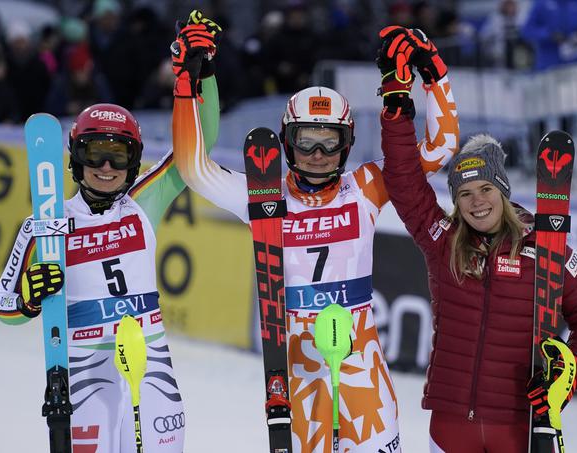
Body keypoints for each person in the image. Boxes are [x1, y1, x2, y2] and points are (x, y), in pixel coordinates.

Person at [171, 18, 459, 453]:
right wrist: (186, 80)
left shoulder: (364, 187)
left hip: (361, 369)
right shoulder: (265, 196)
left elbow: (440, 147)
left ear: (347, 145)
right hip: (299, 373)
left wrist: (433, 74)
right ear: (287, 143)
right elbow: (193, 169)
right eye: (307, 142)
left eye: (331, 142)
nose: (320, 156)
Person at [0, 13, 221, 452]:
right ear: (77, 159)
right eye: (95, 154)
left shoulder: (143, 202)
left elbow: (201, 144)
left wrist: (202, 71)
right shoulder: (49, 221)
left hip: (150, 364)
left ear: (134, 161)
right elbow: (3, 306)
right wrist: (29, 299)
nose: (107, 168)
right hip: (83, 369)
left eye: (119, 155)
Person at [377, 28, 577, 452]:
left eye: (485, 189)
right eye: (464, 194)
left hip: (520, 429)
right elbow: (404, 180)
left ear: (503, 192)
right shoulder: (443, 241)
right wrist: (397, 102)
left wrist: (567, 373)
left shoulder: (548, 248)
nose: (476, 202)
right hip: (449, 429)